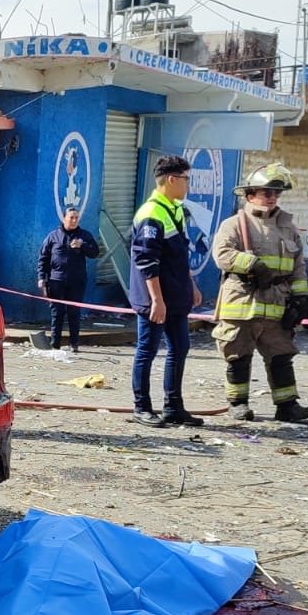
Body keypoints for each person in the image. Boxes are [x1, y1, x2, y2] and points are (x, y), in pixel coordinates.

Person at [209, 163, 308, 422]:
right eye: (266, 192)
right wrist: (252, 265)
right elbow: (222, 255)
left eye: (276, 193)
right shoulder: (234, 224)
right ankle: (238, 404)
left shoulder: (288, 227)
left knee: (281, 355)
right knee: (238, 355)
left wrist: (300, 298)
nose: (271, 198)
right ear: (249, 195)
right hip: (241, 302)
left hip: (276, 303)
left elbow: (298, 265)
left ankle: (287, 406)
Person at [128, 154, 205, 427]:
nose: (188, 185)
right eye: (186, 179)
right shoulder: (151, 213)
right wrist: (156, 300)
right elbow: (147, 262)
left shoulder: (175, 210)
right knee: (146, 350)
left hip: (176, 296)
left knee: (179, 348)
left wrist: (191, 285)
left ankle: (173, 406)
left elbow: (179, 255)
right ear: (172, 180)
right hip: (155, 299)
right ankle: (142, 407)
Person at [36, 207, 101, 351]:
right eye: (71, 217)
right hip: (56, 281)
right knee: (57, 313)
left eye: (76, 218)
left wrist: (82, 245)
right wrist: (41, 277)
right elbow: (43, 258)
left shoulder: (84, 235)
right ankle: (55, 343)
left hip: (76, 281)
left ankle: (74, 344)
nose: (74, 220)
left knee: (74, 313)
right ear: (64, 218)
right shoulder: (53, 236)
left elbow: (95, 252)